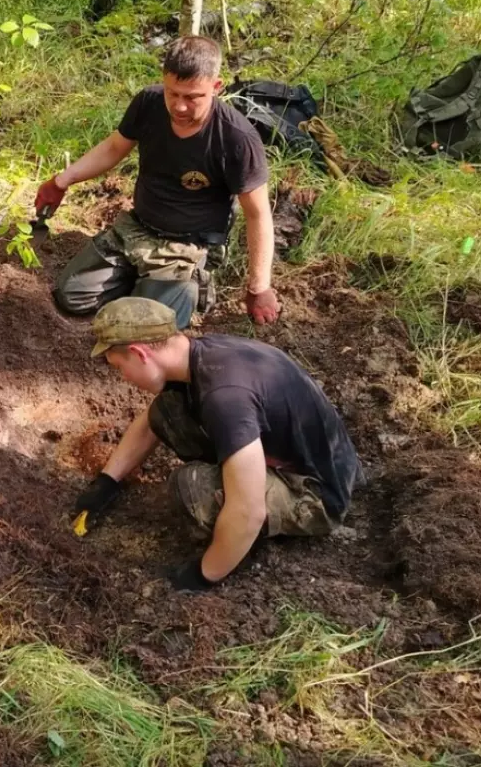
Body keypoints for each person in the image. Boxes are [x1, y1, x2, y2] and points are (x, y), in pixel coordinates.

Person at [74, 297, 363, 591]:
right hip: (316, 457)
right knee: (168, 410)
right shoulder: (201, 356)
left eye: (119, 367)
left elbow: (248, 511)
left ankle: (239, 550)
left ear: (140, 353)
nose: (123, 377)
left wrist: (204, 574)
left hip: (316, 491)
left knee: (193, 488)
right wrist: (107, 481)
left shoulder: (225, 398)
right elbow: (152, 421)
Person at [36, 35, 279, 329]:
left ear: (216, 87)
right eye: (172, 93)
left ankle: (179, 287)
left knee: (147, 329)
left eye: (192, 97)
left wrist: (259, 286)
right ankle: (141, 280)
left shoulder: (236, 139)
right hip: (136, 230)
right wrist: (61, 181)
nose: (179, 106)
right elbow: (114, 148)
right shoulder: (149, 103)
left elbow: (258, 214)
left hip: (186, 246)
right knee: (71, 297)